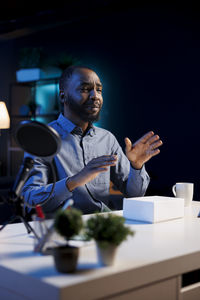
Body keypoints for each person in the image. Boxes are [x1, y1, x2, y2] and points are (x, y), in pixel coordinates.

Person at [22, 65, 162, 214]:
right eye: (84, 89)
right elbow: (29, 200)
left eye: (99, 90)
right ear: (63, 96)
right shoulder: (43, 139)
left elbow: (135, 195)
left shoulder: (107, 139)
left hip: (102, 226)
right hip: (62, 230)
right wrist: (75, 181)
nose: (95, 95)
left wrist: (136, 166)